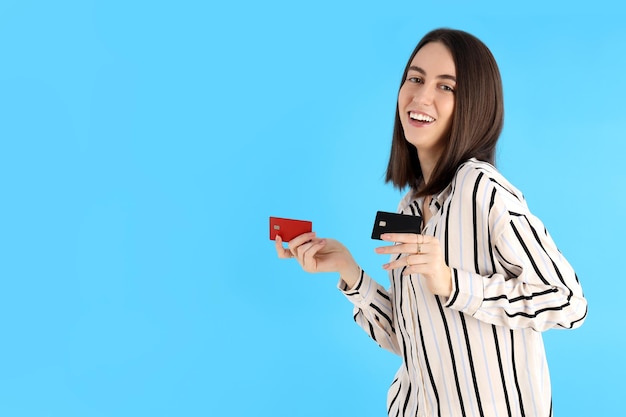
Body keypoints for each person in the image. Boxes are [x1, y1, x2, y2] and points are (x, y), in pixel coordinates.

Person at [274, 28, 587, 417]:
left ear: (474, 104)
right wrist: (349, 273)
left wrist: (454, 283)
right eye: (416, 78)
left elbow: (569, 302)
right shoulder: (406, 211)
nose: (421, 96)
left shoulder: (481, 188)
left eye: (446, 87)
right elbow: (413, 342)